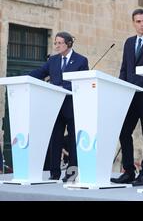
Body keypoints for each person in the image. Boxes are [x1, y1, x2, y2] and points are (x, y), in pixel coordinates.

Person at [110, 8, 143, 187]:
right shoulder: (128, 42)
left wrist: (135, 83)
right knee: (123, 130)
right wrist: (121, 89)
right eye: (138, 21)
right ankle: (128, 171)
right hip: (129, 95)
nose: (142, 24)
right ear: (133, 23)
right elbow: (124, 68)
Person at [29, 31, 89, 181]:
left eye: (59, 43)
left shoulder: (81, 60)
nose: (56, 46)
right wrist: (24, 76)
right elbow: (40, 72)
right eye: (55, 43)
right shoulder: (53, 60)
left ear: (68, 43)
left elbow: (83, 82)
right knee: (55, 139)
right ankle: (54, 173)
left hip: (72, 106)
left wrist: (64, 88)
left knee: (73, 139)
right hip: (55, 105)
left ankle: (71, 173)